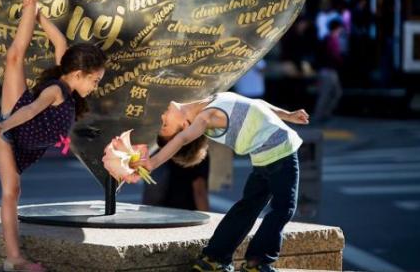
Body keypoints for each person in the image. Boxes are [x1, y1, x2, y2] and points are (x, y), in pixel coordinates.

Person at [0, 0, 107, 272]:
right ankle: (14, 259)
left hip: (30, 144)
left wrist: (39, 14)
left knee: (16, 57)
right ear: (79, 74)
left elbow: (60, 42)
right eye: (94, 81)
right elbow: (29, 110)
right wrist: (2, 125)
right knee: (14, 58)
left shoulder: (69, 82)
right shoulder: (55, 91)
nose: (95, 87)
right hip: (12, 129)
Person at [132, 92, 309, 272]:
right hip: (280, 152)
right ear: (185, 125)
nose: (162, 116)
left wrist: (288, 115)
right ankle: (257, 261)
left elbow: (256, 103)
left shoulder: (209, 100)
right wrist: (152, 162)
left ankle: (214, 258)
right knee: (283, 208)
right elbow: (182, 139)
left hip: (263, 158)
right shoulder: (206, 117)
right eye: (165, 124)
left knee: (247, 208)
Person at [313, 19, 344, 122]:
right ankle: (319, 116)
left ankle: (325, 114)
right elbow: (332, 56)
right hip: (327, 71)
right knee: (325, 94)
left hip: (331, 71)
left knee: (336, 93)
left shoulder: (331, 39)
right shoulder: (329, 40)